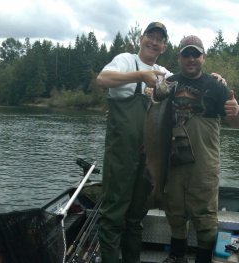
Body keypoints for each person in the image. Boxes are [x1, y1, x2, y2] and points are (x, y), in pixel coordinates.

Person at [162, 35, 239, 263]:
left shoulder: (216, 85)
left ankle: (202, 258)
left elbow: (238, 123)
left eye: (195, 54)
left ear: (203, 57)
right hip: (174, 161)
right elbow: (151, 112)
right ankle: (177, 256)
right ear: (179, 57)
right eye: (186, 54)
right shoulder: (169, 83)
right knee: (175, 211)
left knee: (205, 215)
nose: (191, 59)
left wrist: (237, 110)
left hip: (205, 163)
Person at [96, 22, 172, 263]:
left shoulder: (165, 74)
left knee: (135, 218)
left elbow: (188, 86)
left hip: (149, 158)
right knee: (113, 215)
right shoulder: (125, 60)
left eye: (159, 39)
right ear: (141, 38)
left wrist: (217, 79)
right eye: (150, 35)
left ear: (164, 46)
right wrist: (140, 75)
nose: (154, 41)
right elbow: (103, 79)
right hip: (121, 155)